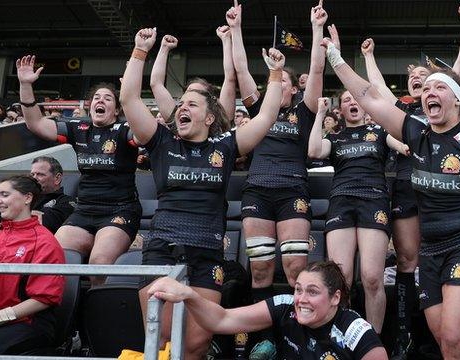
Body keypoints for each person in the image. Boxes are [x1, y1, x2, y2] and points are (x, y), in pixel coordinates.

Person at [323, 34, 460, 357]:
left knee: (456, 338)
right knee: (448, 344)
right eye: (427, 89)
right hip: (430, 252)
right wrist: (335, 57)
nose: (431, 92)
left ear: (458, 99)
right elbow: (367, 96)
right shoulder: (416, 132)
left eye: (440, 88)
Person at [120, 26, 286, 359]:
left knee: (194, 345)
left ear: (209, 117)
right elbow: (128, 98)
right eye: (180, 103)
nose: (182, 107)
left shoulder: (224, 146)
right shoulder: (161, 141)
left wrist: (277, 73)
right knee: (163, 339)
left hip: (207, 253)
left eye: (191, 105)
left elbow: (267, 115)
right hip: (163, 250)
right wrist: (140, 51)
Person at [358, 6, 460, 357]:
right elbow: (375, 88)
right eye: (418, 82)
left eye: (430, 81)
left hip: (447, 190)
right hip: (408, 187)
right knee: (408, 262)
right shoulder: (405, 114)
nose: (423, 86)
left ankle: (437, 338)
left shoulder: (448, 105)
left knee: (436, 255)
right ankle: (407, 335)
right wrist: (368, 56)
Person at [226, 2, 327, 355]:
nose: (278, 82)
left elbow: (316, 70)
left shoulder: (304, 111)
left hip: (293, 194)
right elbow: (240, 69)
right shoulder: (258, 110)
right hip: (257, 193)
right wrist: (236, 30)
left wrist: (316, 30)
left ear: (293, 90)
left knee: (296, 267)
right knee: (261, 270)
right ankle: (261, 339)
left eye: (283, 80)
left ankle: (298, 338)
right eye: (275, 79)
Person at [17, 55, 141, 285]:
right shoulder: (78, 127)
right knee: (51, 258)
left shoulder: (125, 129)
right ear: (90, 105)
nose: (100, 100)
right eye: (96, 97)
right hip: (84, 210)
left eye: (108, 98)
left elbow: (143, 134)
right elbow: (35, 124)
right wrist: (25, 85)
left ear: (116, 110)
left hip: (119, 210)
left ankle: (96, 314)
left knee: (99, 263)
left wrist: (130, 94)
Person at [308, 94, 409, 335]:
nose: (352, 103)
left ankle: (372, 341)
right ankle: (343, 338)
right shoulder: (335, 137)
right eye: (345, 100)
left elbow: (404, 145)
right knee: (341, 280)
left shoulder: (381, 133)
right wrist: (320, 113)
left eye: (356, 99)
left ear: (366, 107)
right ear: (340, 109)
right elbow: (313, 150)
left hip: (373, 200)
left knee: (372, 278)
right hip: (341, 202)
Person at [147, 261, 388, 360]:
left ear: (336, 298)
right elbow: (222, 320)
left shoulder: (355, 330)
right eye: (299, 289)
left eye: (313, 292)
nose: (301, 299)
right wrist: (188, 295)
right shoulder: (286, 306)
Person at [0, 175, 65, 355]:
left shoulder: (44, 241)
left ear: (27, 198)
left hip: (26, 323)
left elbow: (45, 298)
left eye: (4, 195)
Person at [150, 29, 236, 124]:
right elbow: (156, 84)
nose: (191, 95)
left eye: (198, 92)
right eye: (189, 92)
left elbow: (230, 78)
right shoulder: (177, 122)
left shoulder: (220, 123)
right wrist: (164, 48)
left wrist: (226, 40)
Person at [0, 157, 74, 234]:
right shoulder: (23, 196)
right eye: (32, 174)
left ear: (57, 178)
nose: (34, 178)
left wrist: (14, 212)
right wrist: (29, 214)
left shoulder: (66, 202)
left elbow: (49, 223)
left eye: (40, 174)